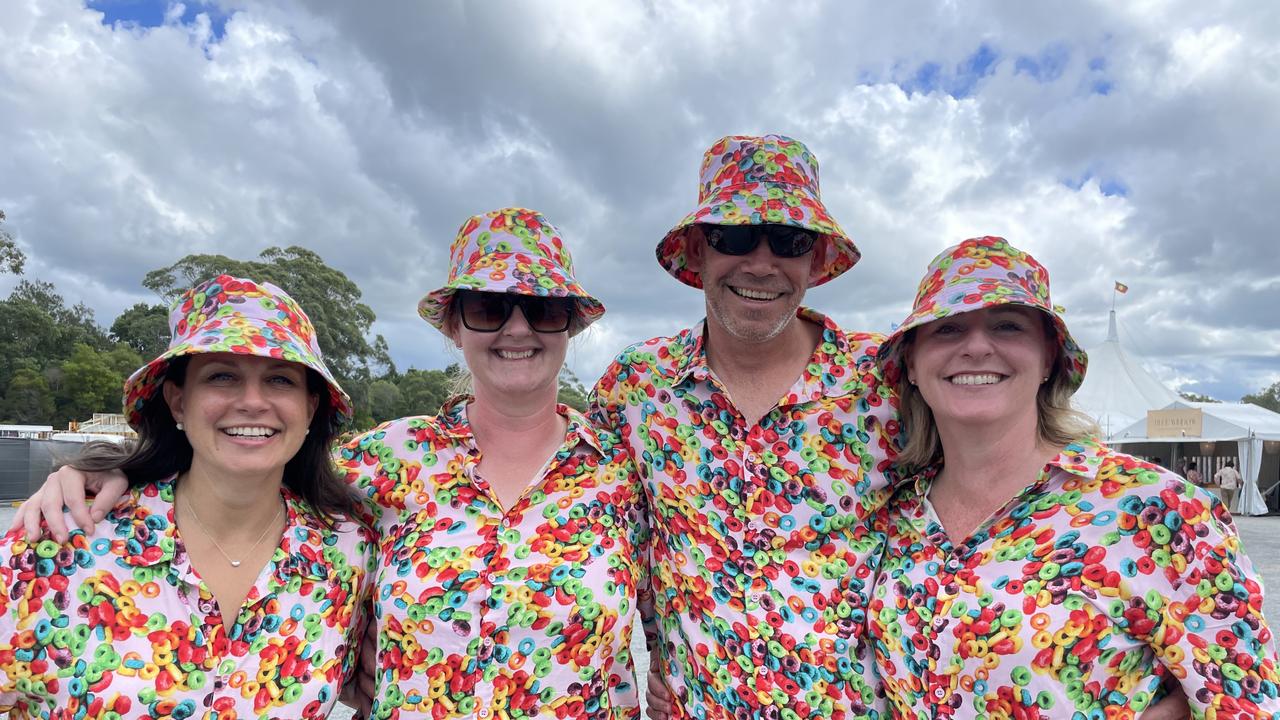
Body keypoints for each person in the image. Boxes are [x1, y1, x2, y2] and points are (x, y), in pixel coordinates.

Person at [20, 208, 653, 719]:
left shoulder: (628, 469)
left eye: (543, 308)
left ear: (570, 325)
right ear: (454, 326)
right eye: (488, 308)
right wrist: (113, 468)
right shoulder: (387, 458)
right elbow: (250, 455)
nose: (517, 328)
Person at [866, 236, 1280, 717]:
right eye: (948, 330)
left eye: (1007, 326)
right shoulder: (896, 516)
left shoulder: (1155, 508)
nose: (977, 346)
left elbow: (1244, 700)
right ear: (912, 365)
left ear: (1047, 360)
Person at [591, 134, 900, 719]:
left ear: (813, 257)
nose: (761, 263)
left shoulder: (888, 382)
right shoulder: (635, 387)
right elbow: (581, 535)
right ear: (699, 251)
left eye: (788, 239)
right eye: (732, 236)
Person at [0, 275, 377, 717]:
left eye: (279, 379)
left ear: (310, 408)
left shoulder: (348, 558)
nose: (252, 402)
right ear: (179, 402)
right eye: (222, 376)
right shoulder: (60, 542)